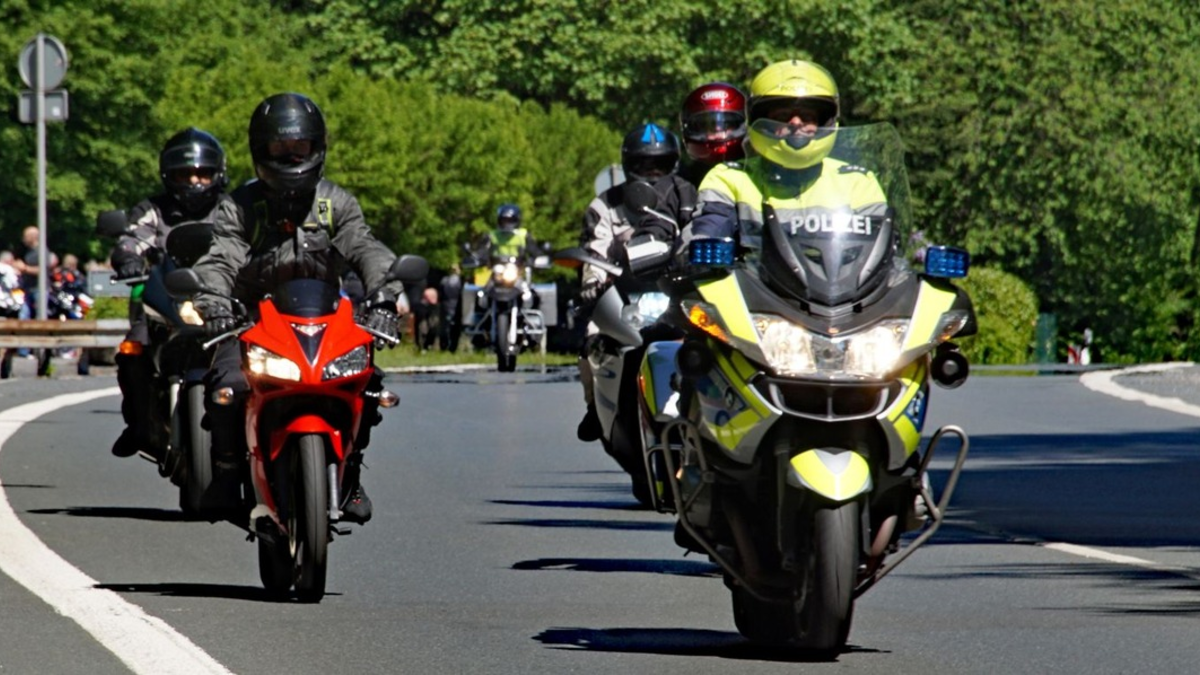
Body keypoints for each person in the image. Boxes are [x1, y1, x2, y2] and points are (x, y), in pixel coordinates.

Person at [191, 92, 402, 524]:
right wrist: (213, 303)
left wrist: (384, 295)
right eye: (279, 150)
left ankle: (351, 477)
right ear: (259, 151)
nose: (290, 158)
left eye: (299, 149)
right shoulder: (241, 206)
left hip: (325, 318)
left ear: (317, 149)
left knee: (369, 383)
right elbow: (220, 256)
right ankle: (228, 474)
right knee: (226, 386)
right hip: (252, 319)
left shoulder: (335, 203)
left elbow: (366, 248)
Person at [684, 59, 888, 257]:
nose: (796, 123)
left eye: (808, 117)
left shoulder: (857, 181)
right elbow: (707, 227)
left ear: (825, 122)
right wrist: (698, 246)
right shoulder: (729, 178)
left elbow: (885, 246)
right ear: (760, 122)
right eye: (783, 117)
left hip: (844, 288)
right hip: (757, 289)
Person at [109, 128, 229, 459]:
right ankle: (139, 424)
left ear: (218, 174)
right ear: (168, 175)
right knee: (133, 350)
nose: (194, 181)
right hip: (164, 297)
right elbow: (129, 241)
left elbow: (256, 245)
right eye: (184, 174)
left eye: (202, 173)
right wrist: (130, 259)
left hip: (224, 300)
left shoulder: (233, 211)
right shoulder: (153, 210)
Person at [575, 122, 697, 441]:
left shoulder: (689, 195)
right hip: (622, 296)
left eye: (659, 164)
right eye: (643, 164)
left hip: (678, 291)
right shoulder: (605, 203)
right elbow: (594, 248)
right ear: (629, 165)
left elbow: (700, 236)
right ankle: (594, 407)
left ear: (673, 162)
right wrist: (593, 282)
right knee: (591, 339)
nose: (652, 172)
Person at [677, 82, 748, 188]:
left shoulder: (762, 175)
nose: (718, 135)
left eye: (727, 125)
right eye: (708, 126)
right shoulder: (679, 186)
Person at [438, 264, 464, 352]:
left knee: (445, 326)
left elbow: (441, 294)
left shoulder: (444, 280)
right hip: (456, 305)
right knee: (455, 327)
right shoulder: (460, 281)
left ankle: (444, 346)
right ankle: (452, 347)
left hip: (445, 305)